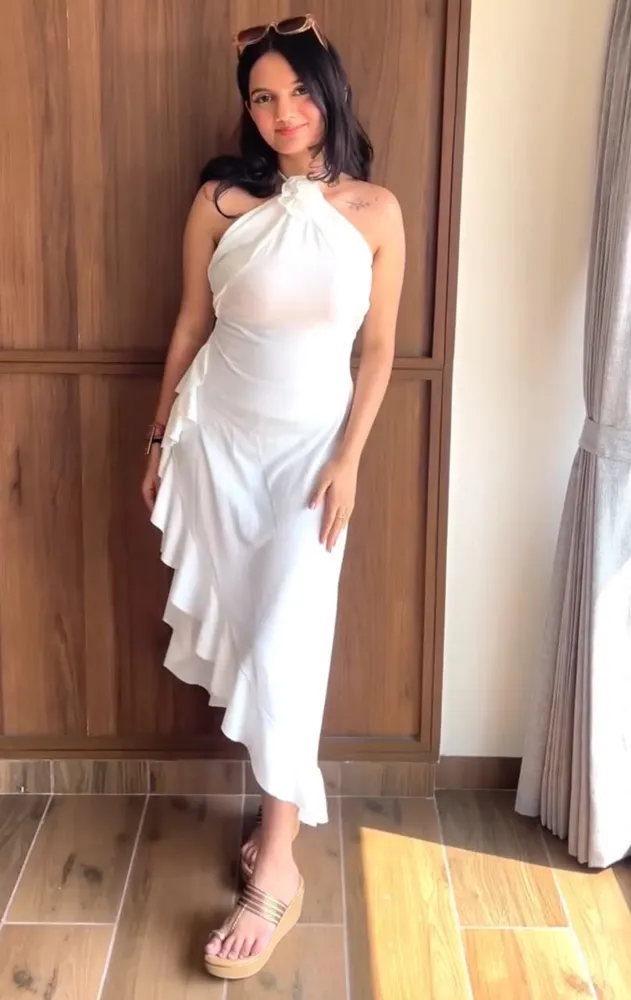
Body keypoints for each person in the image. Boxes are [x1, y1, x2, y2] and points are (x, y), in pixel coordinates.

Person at [141, 14, 405, 981]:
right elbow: (188, 324)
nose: (283, 112)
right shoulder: (220, 201)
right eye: (263, 96)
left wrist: (351, 460)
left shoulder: (375, 211)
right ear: (247, 111)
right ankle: (275, 822)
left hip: (309, 463)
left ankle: (278, 860)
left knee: (286, 647)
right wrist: (158, 434)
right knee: (250, 640)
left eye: (297, 91)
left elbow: (378, 350)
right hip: (217, 444)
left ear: (327, 93)